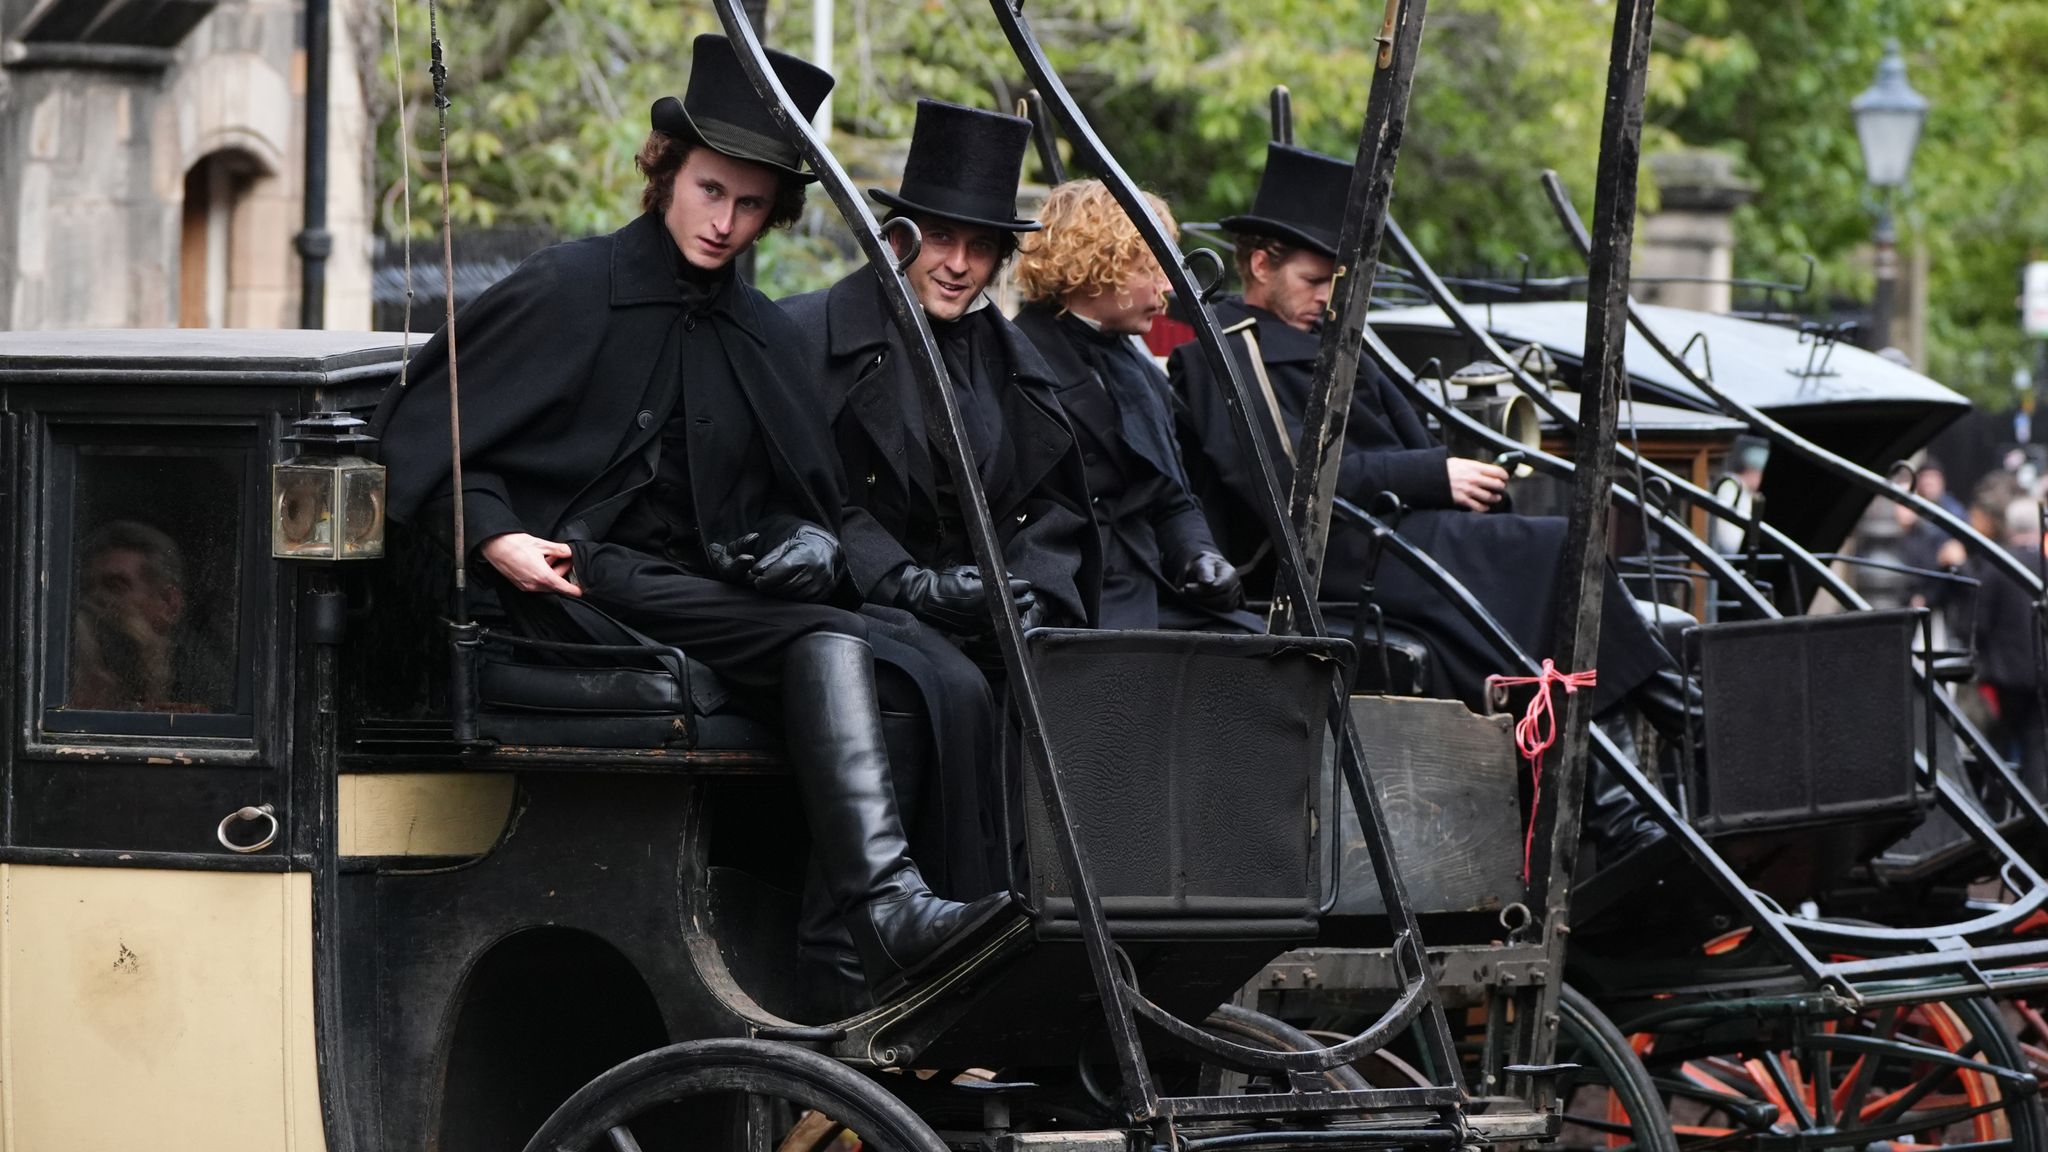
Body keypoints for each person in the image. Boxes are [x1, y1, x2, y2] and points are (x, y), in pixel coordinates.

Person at [372, 35, 1002, 1001]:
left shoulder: (758, 333)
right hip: (572, 586)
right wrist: (490, 528)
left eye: (751, 205)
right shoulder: (568, 286)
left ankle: (853, 956)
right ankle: (883, 912)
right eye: (711, 190)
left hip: (697, 589)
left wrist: (808, 544)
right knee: (840, 635)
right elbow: (418, 431)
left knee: (906, 667)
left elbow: (806, 499)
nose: (726, 221)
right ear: (666, 170)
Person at [1170, 142, 1690, 862]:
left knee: (1537, 583)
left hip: (1399, 534)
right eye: (1315, 278)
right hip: (1331, 554)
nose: (1328, 297)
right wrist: (1433, 475)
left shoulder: (1340, 341)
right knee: (1551, 550)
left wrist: (1455, 475)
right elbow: (1282, 483)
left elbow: (1409, 436)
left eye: (1338, 281)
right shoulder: (1223, 350)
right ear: (1260, 263)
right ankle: (1661, 740)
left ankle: (1630, 787)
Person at [781, 99, 1100, 651]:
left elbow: (1052, 508)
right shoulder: (807, 335)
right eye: (942, 237)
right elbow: (797, 496)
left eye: (980, 246)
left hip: (994, 634)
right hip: (861, 618)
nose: (958, 265)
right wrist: (907, 585)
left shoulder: (1018, 363)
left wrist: (1034, 596)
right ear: (899, 237)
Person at [1010, 179, 1257, 632]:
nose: (1167, 286)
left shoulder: (1136, 370)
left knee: (1285, 658)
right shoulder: (1017, 359)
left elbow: (1171, 497)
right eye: (1152, 267)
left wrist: (1200, 556)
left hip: (1152, 586)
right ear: (1100, 265)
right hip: (1079, 602)